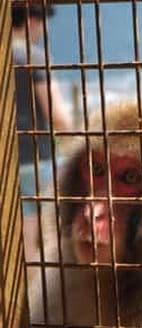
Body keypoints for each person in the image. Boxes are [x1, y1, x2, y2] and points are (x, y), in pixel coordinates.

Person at [12, 4, 70, 206]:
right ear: (30, 20)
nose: (45, 29)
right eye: (43, 22)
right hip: (37, 161)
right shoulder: (33, 57)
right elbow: (58, 117)